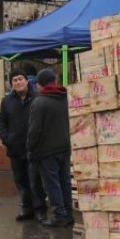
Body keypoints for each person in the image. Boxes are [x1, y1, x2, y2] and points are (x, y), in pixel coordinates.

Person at [0, 67, 47, 222]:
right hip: (15, 149)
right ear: (11, 83)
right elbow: (1, 121)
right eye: (14, 80)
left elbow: (45, 121)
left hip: (34, 149)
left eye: (20, 79)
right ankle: (27, 209)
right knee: (21, 181)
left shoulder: (38, 98)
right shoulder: (7, 101)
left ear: (27, 81)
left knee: (35, 181)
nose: (18, 82)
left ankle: (40, 210)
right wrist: (6, 139)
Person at [26, 68, 73, 227]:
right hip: (65, 147)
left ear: (40, 85)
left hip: (47, 151)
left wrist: (30, 149)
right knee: (65, 181)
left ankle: (59, 216)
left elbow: (34, 131)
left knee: (52, 184)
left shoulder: (40, 102)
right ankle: (68, 213)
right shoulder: (65, 98)